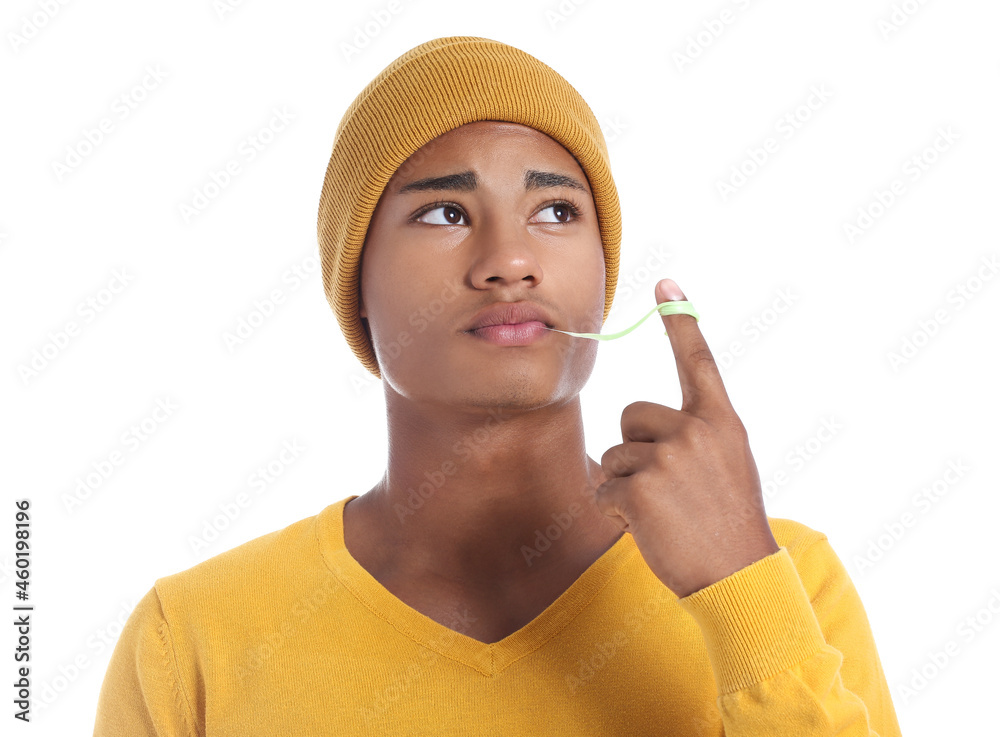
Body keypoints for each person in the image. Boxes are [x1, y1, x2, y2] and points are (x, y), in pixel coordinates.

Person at [93, 35, 903, 735]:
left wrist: (738, 588)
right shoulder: (191, 638)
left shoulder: (783, 579)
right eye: (445, 213)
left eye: (555, 210)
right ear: (354, 283)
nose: (511, 258)